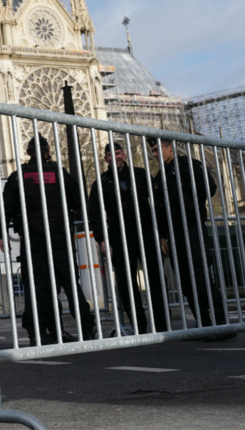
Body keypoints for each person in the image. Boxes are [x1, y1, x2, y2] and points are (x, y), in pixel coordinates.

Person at [0, 136, 94, 345]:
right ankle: (87, 330)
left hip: (33, 239)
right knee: (70, 284)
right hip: (60, 237)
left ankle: (36, 334)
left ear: (27, 152)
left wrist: (2, 233)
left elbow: (4, 208)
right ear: (48, 151)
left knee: (37, 287)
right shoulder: (59, 173)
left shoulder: (18, 176)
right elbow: (79, 199)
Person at [150, 138, 231, 339]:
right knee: (186, 282)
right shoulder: (160, 177)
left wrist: (187, 196)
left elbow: (209, 188)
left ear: (170, 147)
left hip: (192, 228)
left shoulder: (189, 165)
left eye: (157, 149)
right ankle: (203, 325)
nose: (155, 154)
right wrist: (162, 235)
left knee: (201, 276)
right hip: (173, 233)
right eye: (152, 151)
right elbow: (159, 209)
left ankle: (221, 324)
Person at [87, 142, 169, 334]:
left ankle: (162, 326)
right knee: (126, 282)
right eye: (109, 154)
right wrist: (102, 240)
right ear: (105, 158)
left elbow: (158, 202)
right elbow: (95, 214)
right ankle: (139, 326)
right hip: (119, 235)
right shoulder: (102, 182)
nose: (114, 157)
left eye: (117, 153)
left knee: (156, 279)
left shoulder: (140, 174)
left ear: (124, 154)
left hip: (146, 232)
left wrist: (162, 233)